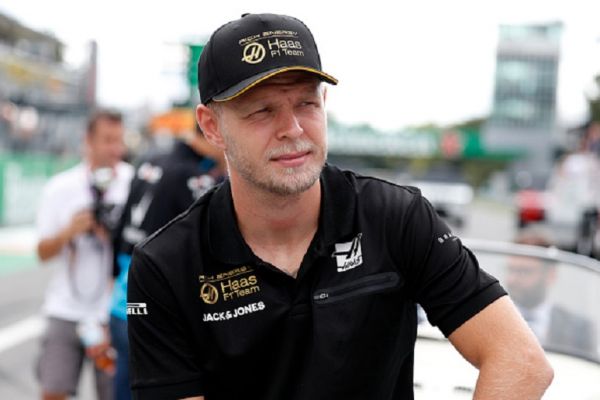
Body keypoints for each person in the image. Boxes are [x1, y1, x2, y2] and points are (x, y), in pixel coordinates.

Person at [127, 13, 553, 399]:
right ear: (211, 126)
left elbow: (521, 361)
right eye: (262, 111)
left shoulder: (395, 217)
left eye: (306, 104)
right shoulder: (166, 265)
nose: (292, 129)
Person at [109, 123, 225, 400]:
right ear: (213, 134)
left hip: (121, 303)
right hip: (158, 310)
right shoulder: (193, 175)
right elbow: (208, 248)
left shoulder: (150, 159)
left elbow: (118, 232)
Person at [36, 109, 133, 400]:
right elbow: (42, 252)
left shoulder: (134, 182)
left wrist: (114, 236)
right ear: (87, 141)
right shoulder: (60, 188)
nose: (116, 148)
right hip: (65, 308)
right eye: (107, 140)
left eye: (119, 140)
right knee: (52, 391)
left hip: (113, 310)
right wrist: (70, 231)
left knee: (114, 394)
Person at [507, 231, 598, 357]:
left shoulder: (578, 328)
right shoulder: (489, 317)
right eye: (511, 270)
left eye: (524, 271)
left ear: (550, 275)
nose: (512, 279)